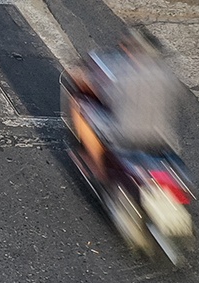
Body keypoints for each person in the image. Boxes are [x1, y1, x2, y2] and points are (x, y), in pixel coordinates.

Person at [69, 36, 185, 179]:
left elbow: (100, 94)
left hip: (125, 137)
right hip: (160, 139)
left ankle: (96, 165)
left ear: (132, 52)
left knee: (81, 107)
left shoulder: (124, 73)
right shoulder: (167, 77)